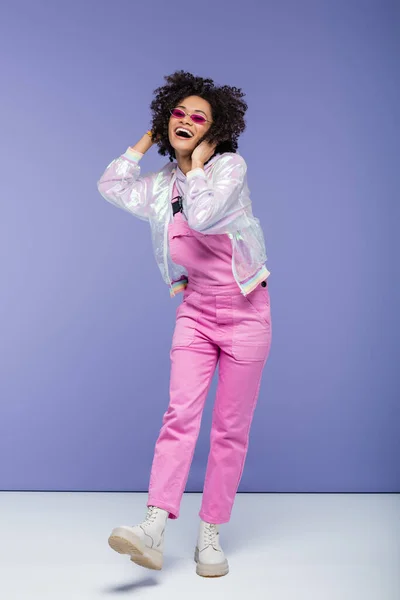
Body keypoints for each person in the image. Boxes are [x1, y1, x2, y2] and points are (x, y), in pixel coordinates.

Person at [97, 70, 272, 578]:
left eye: (200, 118)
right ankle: (153, 525)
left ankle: (210, 531)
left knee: (230, 429)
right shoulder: (158, 188)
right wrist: (149, 136)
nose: (186, 121)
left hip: (246, 313)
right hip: (195, 312)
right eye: (178, 112)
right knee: (180, 415)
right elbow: (110, 184)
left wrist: (195, 164)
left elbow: (202, 217)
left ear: (214, 132)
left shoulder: (228, 170)